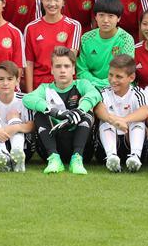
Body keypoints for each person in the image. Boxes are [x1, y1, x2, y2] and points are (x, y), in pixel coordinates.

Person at [23, 46, 102, 175]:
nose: (62, 70)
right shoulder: (45, 88)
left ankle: (77, 158)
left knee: (88, 112)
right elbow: (27, 99)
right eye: (58, 66)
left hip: (83, 148)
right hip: (52, 145)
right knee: (39, 113)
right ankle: (54, 159)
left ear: (73, 69)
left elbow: (96, 94)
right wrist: (54, 112)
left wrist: (79, 111)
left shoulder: (82, 84)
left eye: (66, 66)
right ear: (52, 70)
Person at [95, 54, 148, 173]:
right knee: (106, 122)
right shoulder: (104, 92)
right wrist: (114, 121)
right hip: (107, 146)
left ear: (131, 77)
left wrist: (124, 120)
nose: (113, 80)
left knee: (138, 122)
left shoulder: (137, 92)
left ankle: (135, 156)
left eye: (118, 77)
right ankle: (111, 157)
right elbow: (99, 109)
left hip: (129, 142)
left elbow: (145, 110)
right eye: (110, 75)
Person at [25, 0, 82, 90]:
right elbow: (29, 63)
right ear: (42, 0)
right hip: (40, 85)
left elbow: (70, 58)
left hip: (64, 84)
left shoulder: (74, 25)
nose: (52, 4)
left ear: (63, 1)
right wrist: (30, 93)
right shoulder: (31, 27)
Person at [76, 0, 136, 89]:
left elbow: (125, 71)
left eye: (111, 16)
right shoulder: (86, 38)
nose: (105, 20)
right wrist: (96, 84)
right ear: (95, 17)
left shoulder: (126, 39)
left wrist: (102, 85)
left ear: (119, 18)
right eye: (101, 15)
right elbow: (81, 70)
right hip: (91, 87)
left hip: (117, 87)